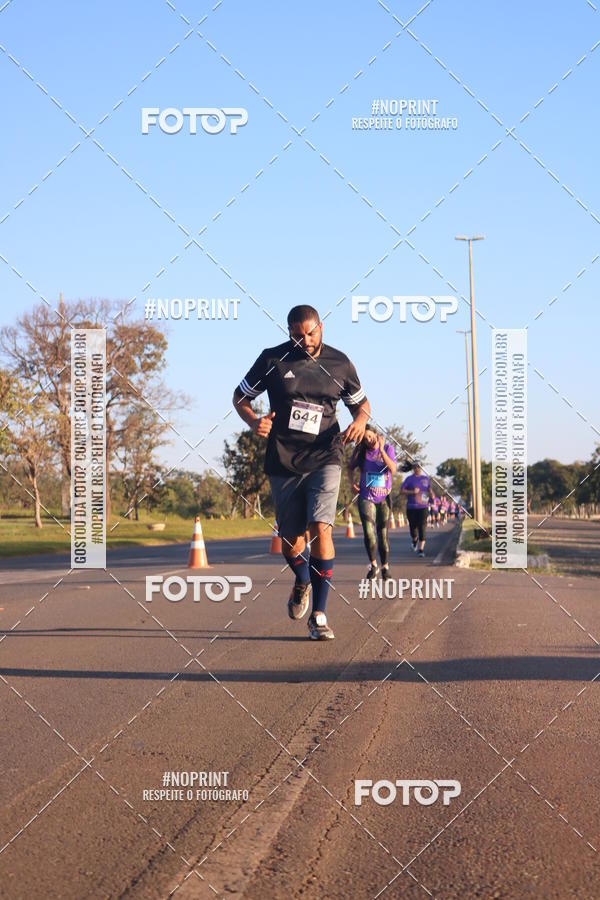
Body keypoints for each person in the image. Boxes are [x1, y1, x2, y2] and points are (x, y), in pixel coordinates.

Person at [233, 305, 369, 641]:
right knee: (291, 542)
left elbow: (361, 404)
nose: (305, 340)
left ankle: (319, 616)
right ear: (288, 331)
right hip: (283, 459)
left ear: (321, 327)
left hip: (326, 454)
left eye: (310, 333)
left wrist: (361, 422)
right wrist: (253, 421)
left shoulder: (340, 363)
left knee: (322, 528)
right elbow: (240, 397)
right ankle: (302, 581)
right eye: (297, 335)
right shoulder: (272, 360)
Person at [347, 424, 397, 580]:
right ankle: (374, 565)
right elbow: (350, 467)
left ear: (376, 434)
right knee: (369, 533)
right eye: (365, 437)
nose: (368, 440)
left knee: (382, 534)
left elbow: (393, 469)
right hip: (366, 496)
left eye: (370, 436)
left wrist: (381, 450)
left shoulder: (388, 448)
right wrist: (352, 483)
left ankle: (385, 567)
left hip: (384, 498)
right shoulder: (361, 451)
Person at [401, 462, 434, 557]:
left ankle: (421, 550)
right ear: (413, 468)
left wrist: (432, 494)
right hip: (411, 507)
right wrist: (412, 492)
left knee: (422, 527)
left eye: (419, 467)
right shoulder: (409, 479)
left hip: (423, 507)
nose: (418, 468)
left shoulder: (426, 479)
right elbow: (402, 491)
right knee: (413, 528)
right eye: (416, 467)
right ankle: (415, 540)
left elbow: (429, 489)